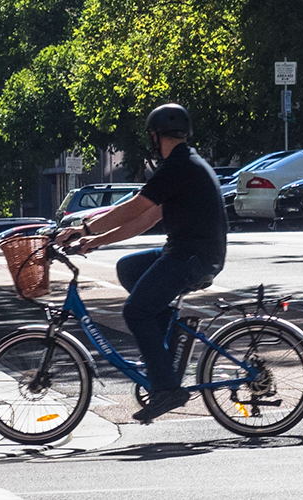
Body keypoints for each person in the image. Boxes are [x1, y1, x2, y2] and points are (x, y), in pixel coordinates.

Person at [54, 103, 229, 422]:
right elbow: (148, 217)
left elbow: (135, 207)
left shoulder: (179, 167)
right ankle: (163, 354)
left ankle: (166, 388)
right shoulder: (184, 164)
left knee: (135, 310)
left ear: (156, 135)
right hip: (187, 253)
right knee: (129, 268)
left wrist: (85, 228)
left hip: (192, 258)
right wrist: (95, 241)